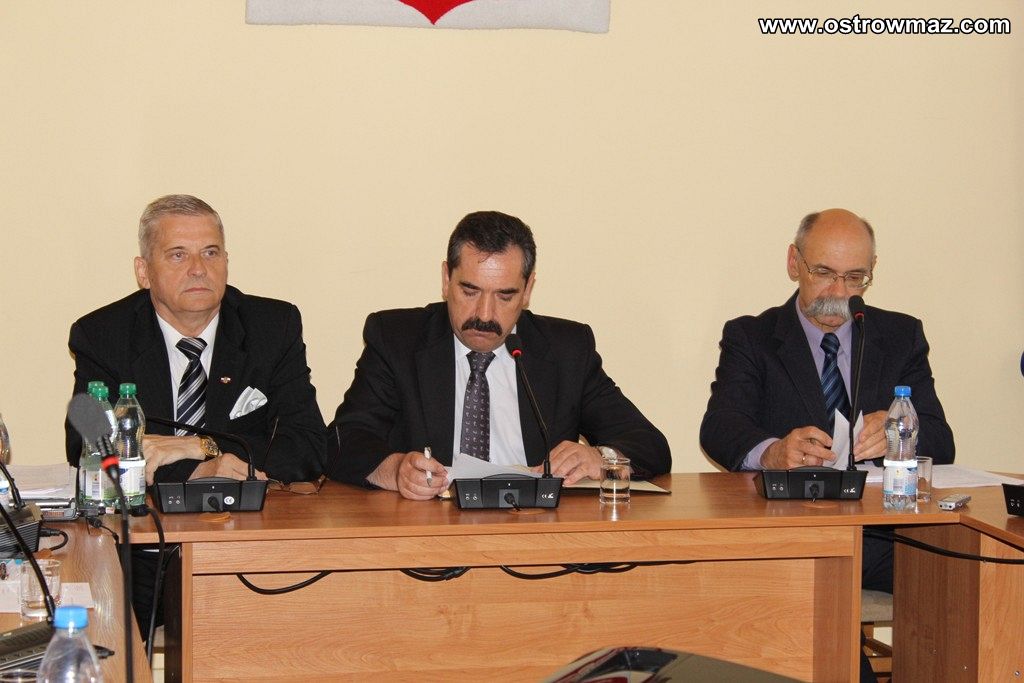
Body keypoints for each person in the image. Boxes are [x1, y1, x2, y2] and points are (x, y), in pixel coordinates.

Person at [699, 208, 955, 682]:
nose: (839, 292)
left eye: (855, 277)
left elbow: (942, 438)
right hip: (793, 535)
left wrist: (901, 431)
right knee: (811, 599)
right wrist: (771, 451)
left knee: (969, 574)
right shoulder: (752, 336)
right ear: (793, 263)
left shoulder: (900, 335)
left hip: (881, 536)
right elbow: (720, 427)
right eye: (824, 273)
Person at [65, 194, 325, 629]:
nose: (199, 269)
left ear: (226, 261)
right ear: (144, 271)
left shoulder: (272, 326)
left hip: (247, 548)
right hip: (141, 552)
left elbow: (308, 447)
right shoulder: (101, 334)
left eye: (210, 253)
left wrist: (197, 446)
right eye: (178, 255)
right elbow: (87, 444)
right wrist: (200, 470)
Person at [325, 210, 670, 497]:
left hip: (537, 530)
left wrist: (600, 457)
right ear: (446, 279)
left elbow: (650, 445)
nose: (484, 314)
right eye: (470, 291)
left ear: (528, 290)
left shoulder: (566, 349)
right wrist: (395, 469)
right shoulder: (397, 339)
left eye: (505, 296)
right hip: (431, 530)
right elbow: (343, 440)